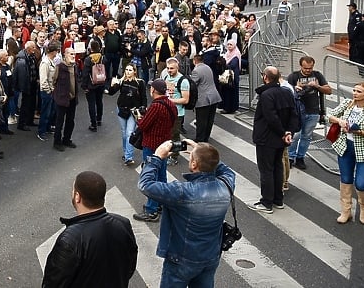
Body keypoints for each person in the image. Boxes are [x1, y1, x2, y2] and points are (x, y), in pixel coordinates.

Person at [138, 140, 235, 287]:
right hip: (211, 256)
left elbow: (145, 185)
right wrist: (207, 156)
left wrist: (156, 157)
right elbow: (227, 171)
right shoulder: (226, 185)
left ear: (194, 164)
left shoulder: (182, 191)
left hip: (181, 258)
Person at [42, 171, 137, 288]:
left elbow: (53, 283)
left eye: (73, 190)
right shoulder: (123, 223)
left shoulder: (69, 240)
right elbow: (130, 264)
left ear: (77, 197)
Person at [250, 66, 296, 214]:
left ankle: (266, 202)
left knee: (266, 170)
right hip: (280, 139)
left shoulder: (266, 95)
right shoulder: (287, 92)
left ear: (265, 77)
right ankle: (278, 199)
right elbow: (294, 115)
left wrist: (283, 132)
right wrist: (288, 132)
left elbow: (271, 118)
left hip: (266, 138)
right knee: (277, 167)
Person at [133, 80, 177, 223]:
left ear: (153, 90)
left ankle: (151, 210)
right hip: (164, 144)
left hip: (152, 145)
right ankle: (161, 204)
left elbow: (144, 125)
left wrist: (139, 117)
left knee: (150, 177)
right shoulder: (170, 104)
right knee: (162, 175)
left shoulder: (156, 106)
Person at [326, 82, 364, 224]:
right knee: (345, 179)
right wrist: (340, 121)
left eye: (359, 91)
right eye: (354, 90)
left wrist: (359, 132)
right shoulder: (347, 103)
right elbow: (329, 116)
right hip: (345, 147)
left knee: (361, 184)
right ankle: (346, 211)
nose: (355, 93)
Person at [287, 56, 331, 169]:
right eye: (305, 68)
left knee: (306, 136)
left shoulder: (317, 75)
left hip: (313, 110)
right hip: (297, 111)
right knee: (295, 135)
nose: (308, 70)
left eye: (310, 68)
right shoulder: (294, 76)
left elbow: (329, 90)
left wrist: (317, 86)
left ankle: (300, 157)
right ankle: (290, 157)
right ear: (301, 66)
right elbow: (285, 92)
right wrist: (295, 88)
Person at [109, 64, 147, 165]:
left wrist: (143, 109)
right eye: (126, 70)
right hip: (121, 109)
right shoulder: (122, 81)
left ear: (134, 71)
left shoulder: (140, 83)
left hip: (133, 111)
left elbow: (144, 97)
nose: (128, 72)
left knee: (129, 133)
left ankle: (128, 157)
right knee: (124, 133)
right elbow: (111, 93)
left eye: (130, 70)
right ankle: (126, 152)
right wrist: (113, 84)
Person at [190, 54, 222, 143]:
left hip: (203, 99)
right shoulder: (208, 67)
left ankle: (200, 139)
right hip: (214, 97)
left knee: (201, 121)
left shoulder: (196, 70)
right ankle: (206, 137)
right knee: (209, 120)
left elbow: (193, 85)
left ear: (194, 61)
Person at [52, 48, 79, 152]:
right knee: (59, 122)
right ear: (65, 54)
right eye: (71, 54)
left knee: (70, 121)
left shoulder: (74, 66)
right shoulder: (60, 67)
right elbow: (54, 80)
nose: (73, 56)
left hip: (72, 99)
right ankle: (57, 142)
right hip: (62, 99)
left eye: (74, 54)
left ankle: (67, 139)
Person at [80, 40, 105, 131]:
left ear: (91, 48)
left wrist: (84, 86)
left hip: (91, 84)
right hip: (101, 82)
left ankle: (93, 124)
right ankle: (99, 119)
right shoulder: (102, 58)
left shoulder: (88, 59)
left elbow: (85, 74)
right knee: (99, 101)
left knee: (91, 104)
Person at [219, 39, 241, 114]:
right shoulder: (227, 53)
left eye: (231, 44)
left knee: (231, 93)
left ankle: (230, 108)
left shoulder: (236, 54)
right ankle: (226, 107)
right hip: (227, 76)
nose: (229, 46)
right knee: (226, 92)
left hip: (232, 77)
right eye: (228, 44)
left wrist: (224, 64)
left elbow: (233, 65)